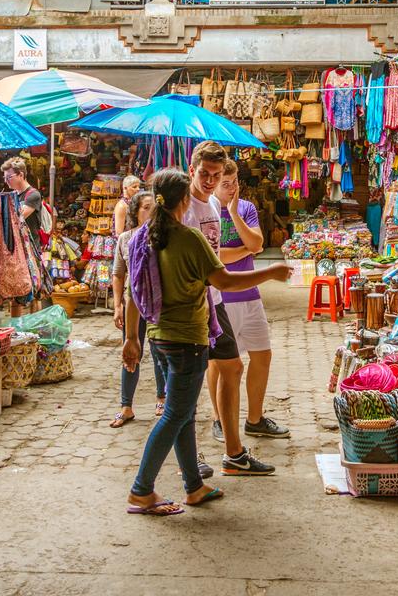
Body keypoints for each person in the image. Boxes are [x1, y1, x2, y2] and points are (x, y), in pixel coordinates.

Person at [122, 170, 291, 516]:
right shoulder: (189, 238)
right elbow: (224, 282)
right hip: (187, 339)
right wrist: (271, 272)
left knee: (184, 414)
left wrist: (129, 339)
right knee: (174, 415)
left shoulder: (140, 237)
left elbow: (131, 294)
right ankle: (141, 491)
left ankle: (193, 486)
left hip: (158, 339)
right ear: (184, 201)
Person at [185, 141, 275, 476]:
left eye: (217, 174)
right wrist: (266, 271)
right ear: (192, 170)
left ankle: (234, 454)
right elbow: (215, 265)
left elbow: (243, 249)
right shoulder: (184, 207)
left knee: (233, 367)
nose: (211, 180)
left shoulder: (211, 207)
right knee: (189, 382)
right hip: (194, 304)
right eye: (205, 173)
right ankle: (188, 459)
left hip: (214, 300)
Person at [213, 162, 288, 439]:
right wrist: (244, 250)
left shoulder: (245, 208)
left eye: (234, 183)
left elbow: (257, 245)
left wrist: (234, 214)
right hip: (221, 296)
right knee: (220, 364)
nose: (231, 188)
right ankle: (219, 419)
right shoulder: (205, 211)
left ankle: (254, 419)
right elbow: (215, 258)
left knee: (262, 355)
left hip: (250, 294)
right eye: (225, 183)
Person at [109, 191, 165, 429]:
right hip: (133, 303)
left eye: (153, 208)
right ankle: (126, 406)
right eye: (145, 207)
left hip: (157, 303)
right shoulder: (125, 239)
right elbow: (118, 273)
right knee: (130, 353)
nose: (150, 212)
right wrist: (117, 306)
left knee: (159, 352)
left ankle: (162, 398)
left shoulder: (162, 237)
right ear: (134, 211)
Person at [2, 157, 46, 317]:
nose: (7, 181)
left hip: (31, 248)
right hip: (16, 248)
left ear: (21, 175)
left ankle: (35, 328)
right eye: (5, 178)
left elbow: (18, 216)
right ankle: (17, 330)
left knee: (35, 292)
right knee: (16, 292)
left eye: (9, 177)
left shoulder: (33, 195)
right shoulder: (13, 195)